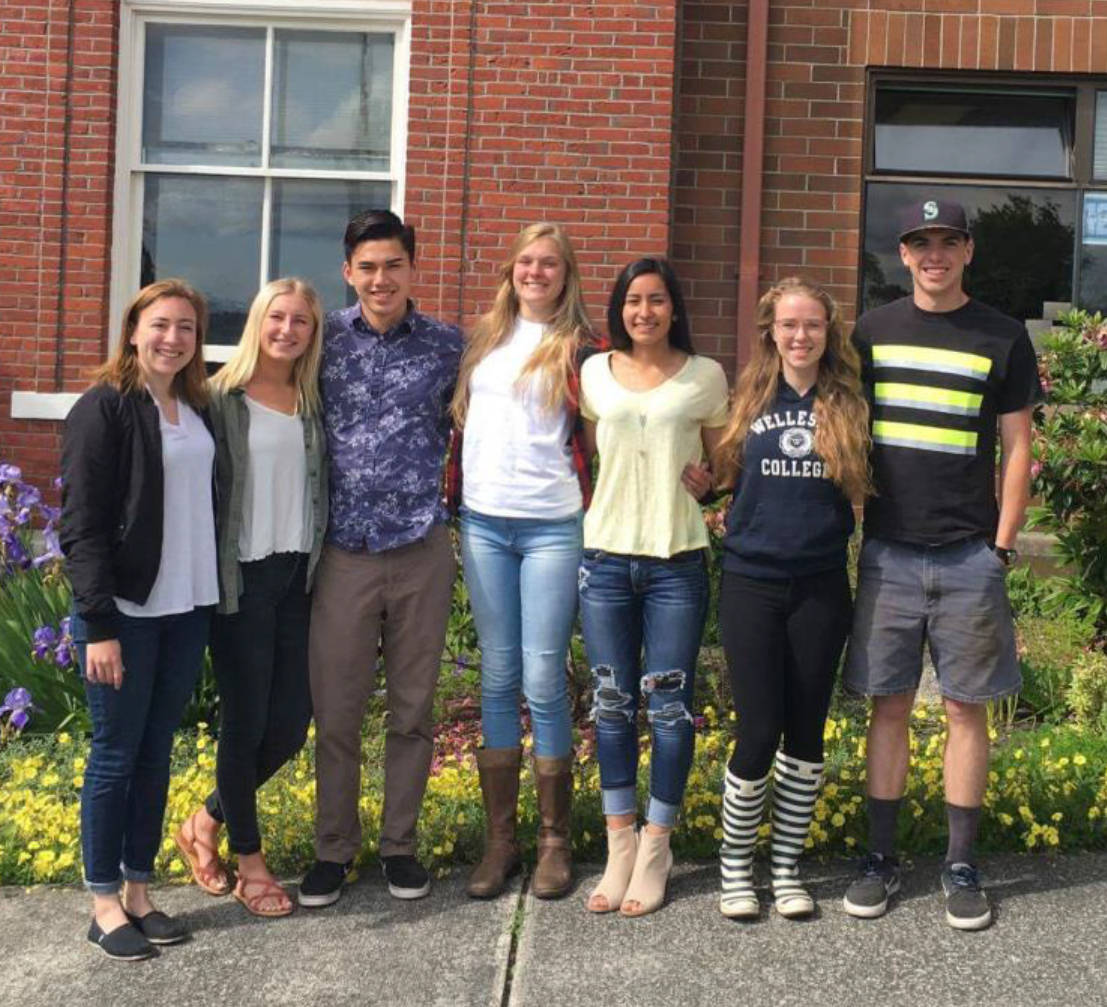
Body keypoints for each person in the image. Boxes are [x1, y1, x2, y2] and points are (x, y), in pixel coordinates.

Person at [842, 199, 1041, 931]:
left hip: (968, 554)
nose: (934, 254)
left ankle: (959, 863)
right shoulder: (871, 332)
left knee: (965, 709)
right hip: (889, 550)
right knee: (888, 706)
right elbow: (843, 428)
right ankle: (879, 857)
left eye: (947, 241)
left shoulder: (1002, 335)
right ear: (902, 254)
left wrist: (1003, 543)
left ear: (967, 251)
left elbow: (1017, 445)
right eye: (920, 242)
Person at [298, 209, 463, 908]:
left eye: (393, 264)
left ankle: (399, 846)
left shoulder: (449, 346)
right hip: (344, 553)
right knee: (336, 712)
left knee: (412, 709)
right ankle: (333, 849)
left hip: (420, 549)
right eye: (367, 266)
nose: (380, 278)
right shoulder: (321, 340)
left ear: (412, 269)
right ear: (347, 272)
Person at [61, 279, 217, 960]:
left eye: (186, 327)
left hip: (186, 608)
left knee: (155, 755)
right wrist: (97, 624)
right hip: (124, 614)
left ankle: (139, 892)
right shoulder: (104, 407)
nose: (172, 339)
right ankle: (103, 905)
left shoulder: (195, 406)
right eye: (160, 324)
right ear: (132, 331)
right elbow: (82, 525)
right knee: (115, 757)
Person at [447, 223, 599, 901]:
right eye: (526, 262)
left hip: (551, 524)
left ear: (566, 275)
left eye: (549, 264)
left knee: (542, 675)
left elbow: (603, 435)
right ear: (510, 271)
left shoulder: (582, 349)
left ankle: (553, 842)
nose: (536, 272)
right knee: (497, 674)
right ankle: (500, 841)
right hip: (484, 521)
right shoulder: (482, 339)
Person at [710, 277, 871, 920]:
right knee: (757, 729)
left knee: (806, 730)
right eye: (788, 325)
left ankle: (785, 866)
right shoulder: (747, 397)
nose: (800, 336)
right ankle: (735, 864)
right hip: (750, 582)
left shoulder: (850, 404)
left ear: (828, 333)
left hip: (820, 585)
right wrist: (701, 484)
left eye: (812, 325)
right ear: (770, 332)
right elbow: (719, 477)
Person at [578, 257, 729, 917]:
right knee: (611, 704)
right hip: (606, 558)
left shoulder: (705, 376)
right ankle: (620, 844)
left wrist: (713, 483)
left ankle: (656, 846)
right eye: (634, 300)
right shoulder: (593, 372)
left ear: (674, 308)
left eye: (657, 300)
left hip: (676, 562)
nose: (645, 311)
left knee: (669, 708)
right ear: (620, 309)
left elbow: (722, 464)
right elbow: (592, 455)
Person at [174, 278, 327, 918]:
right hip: (241, 579)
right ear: (258, 323)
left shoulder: (314, 400)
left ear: (313, 333)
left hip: (299, 578)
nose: (287, 330)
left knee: (290, 725)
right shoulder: (218, 400)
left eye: (301, 321)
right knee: (245, 725)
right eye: (277, 318)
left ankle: (203, 822)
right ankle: (251, 863)